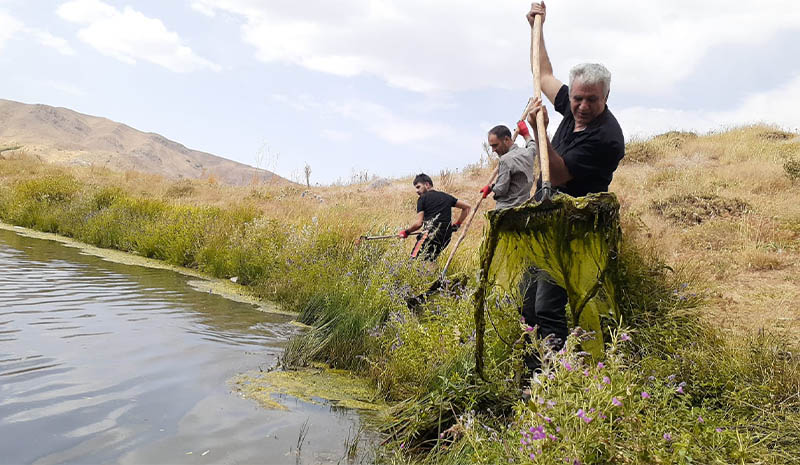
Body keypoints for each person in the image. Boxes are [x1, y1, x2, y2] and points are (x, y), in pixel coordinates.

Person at [518, 1, 625, 373]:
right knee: (527, 303)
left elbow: (558, 175)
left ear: (605, 98)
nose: (579, 106)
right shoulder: (572, 102)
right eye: (577, 98)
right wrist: (538, 27)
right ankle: (531, 372)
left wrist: (540, 130)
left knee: (548, 306)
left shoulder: (607, 138)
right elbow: (543, 72)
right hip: (545, 222)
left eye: (590, 100)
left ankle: (555, 381)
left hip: (573, 232)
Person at [399, 173, 472, 261]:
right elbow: (467, 207)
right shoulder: (446, 197)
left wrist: (406, 232)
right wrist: (457, 224)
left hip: (430, 235)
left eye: (418, 187)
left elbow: (418, 224)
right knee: (430, 261)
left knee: (413, 262)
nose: (416, 191)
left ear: (427, 184)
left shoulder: (422, 199)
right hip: (445, 238)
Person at [480, 123, 537, 209]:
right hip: (524, 209)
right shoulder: (528, 153)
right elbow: (533, 145)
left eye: (495, 145)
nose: (493, 150)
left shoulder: (505, 160)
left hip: (506, 210)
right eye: (491, 147)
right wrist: (526, 134)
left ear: (506, 139)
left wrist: (492, 188)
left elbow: (501, 189)